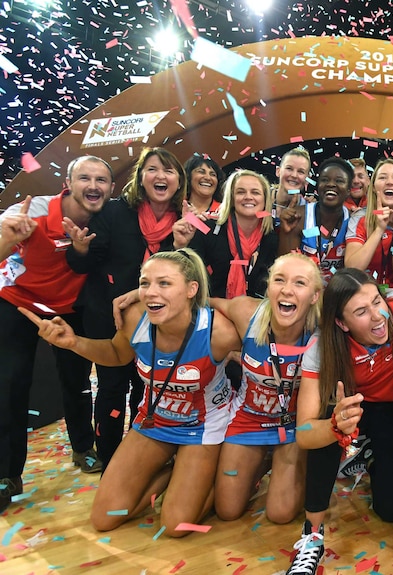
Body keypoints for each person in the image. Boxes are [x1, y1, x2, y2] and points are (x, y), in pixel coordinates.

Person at [22, 249, 241, 535]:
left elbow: (262, 351)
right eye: (144, 283)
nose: (151, 293)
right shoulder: (136, 317)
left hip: (202, 428)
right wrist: (73, 342)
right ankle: (173, 472)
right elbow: (115, 353)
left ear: (191, 290)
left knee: (176, 526)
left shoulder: (218, 331)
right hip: (154, 420)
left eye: (164, 283)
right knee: (105, 518)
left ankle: (203, 474)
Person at [286, 269, 393, 575]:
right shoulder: (322, 346)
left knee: (390, 510)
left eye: (377, 301)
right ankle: (311, 535)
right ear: (341, 322)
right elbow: (304, 432)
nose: (378, 316)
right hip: (350, 410)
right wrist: (334, 427)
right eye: (361, 312)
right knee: (326, 424)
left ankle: (368, 456)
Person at [0, 156, 113, 511]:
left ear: (111, 188)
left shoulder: (107, 219)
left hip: (69, 309)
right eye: (85, 178)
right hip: (16, 302)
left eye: (101, 180)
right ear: (68, 181)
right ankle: (7, 474)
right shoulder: (30, 211)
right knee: (10, 384)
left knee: (77, 383)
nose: (93, 186)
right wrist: (8, 238)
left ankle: (82, 449)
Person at [66, 147, 186, 467]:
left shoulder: (185, 222)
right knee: (111, 388)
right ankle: (109, 458)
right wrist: (79, 249)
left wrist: (187, 246)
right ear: (141, 177)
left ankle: (141, 456)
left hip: (158, 320)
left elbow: (187, 271)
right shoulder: (115, 212)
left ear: (178, 181)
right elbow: (86, 264)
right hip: (108, 316)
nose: (160, 176)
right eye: (152, 169)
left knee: (145, 388)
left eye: (169, 170)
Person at [212, 254, 322, 524]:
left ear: (315, 296)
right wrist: (137, 293)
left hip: (295, 426)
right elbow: (201, 301)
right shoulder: (246, 312)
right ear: (268, 287)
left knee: (280, 514)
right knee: (227, 511)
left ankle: (284, 462)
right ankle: (261, 462)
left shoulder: (322, 330)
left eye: (299, 283)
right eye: (279, 280)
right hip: (248, 418)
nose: (287, 290)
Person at [173, 169, 278, 299]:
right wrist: (180, 245)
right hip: (210, 308)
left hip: (252, 311)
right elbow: (186, 274)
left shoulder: (270, 237)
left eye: (255, 192)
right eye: (240, 192)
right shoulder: (207, 228)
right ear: (231, 198)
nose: (248, 197)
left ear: (265, 199)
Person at [276, 157, 354, 286]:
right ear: (318, 187)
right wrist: (285, 233)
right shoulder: (298, 216)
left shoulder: (353, 221)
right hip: (303, 291)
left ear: (348, 191)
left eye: (339, 181)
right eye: (324, 180)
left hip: (337, 294)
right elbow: (285, 267)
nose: (331, 184)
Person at [345, 159, 393, 289]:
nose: (389, 182)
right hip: (366, 294)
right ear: (373, 187)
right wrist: (379, 230)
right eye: (382, 177)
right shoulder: (359, 218)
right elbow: (353, 268)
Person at [274, 147, 312, 255]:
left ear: (307, 178)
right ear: (278, 171)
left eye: (301, 171)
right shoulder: (260, 201)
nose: (294, 175)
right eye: (289, 168)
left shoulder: (310, 211)